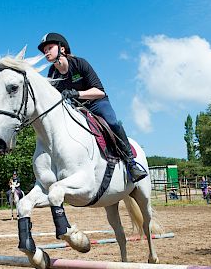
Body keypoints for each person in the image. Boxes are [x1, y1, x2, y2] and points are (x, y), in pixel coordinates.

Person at [38, 32, 148, 183]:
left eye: (49, 48)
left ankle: (131, 164)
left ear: (62, 49)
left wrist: (77, 93)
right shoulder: (52, 73)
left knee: (113, 122)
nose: (46, 52)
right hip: (78, 110)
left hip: (97, 103)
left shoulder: (80, 64)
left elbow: (99, 91)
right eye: (44, 50)